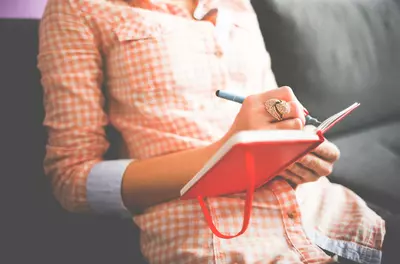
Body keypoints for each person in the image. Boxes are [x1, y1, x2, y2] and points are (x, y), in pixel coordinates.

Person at [37, 0, 385, 263]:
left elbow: (270, 111)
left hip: (328, 215)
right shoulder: (78, 8)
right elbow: (72, 180)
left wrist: (296, 147)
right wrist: (228, 154)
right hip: (218, 236)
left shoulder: (237, 4)